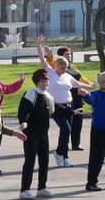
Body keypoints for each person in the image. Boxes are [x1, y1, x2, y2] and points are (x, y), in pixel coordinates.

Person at [36, 35, 92, 168]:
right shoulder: (49, 71)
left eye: (66, 68)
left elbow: (78, 84)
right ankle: (59, 153)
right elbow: (42, 58)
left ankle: (65, 156)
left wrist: (92, 86)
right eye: (62, 68)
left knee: (67, 131)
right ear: (56, 66)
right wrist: (38, 45)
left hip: (69, 106)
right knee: (66, 129)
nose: (64, 70)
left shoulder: (67, 76)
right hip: (55, 106)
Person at [17, 69, 55, 200]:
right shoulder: (31, 94)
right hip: (31, 134)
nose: (45, 83)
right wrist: (23, 122)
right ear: (36, 82)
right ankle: (24, 189)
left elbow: (56, 111)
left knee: (44, 161)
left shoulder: (48, 96)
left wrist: (72, 112)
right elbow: (23, 111)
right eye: (42, 81)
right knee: (30, 161)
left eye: (46, 80)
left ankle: (42, 187)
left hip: (43, 134)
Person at [43, 45, 89, 151]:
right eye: (67, 54)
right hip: (65, 96)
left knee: (77, 121)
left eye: (70, 54)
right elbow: (49, 62)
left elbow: (80, 78)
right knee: (66, 125)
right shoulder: (57, 65)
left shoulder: (72, 67)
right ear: (61, 56)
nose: (69, 56)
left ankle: (76, 144)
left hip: (77, 97)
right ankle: (65, 145)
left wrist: (91, 84)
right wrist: (49, 55)